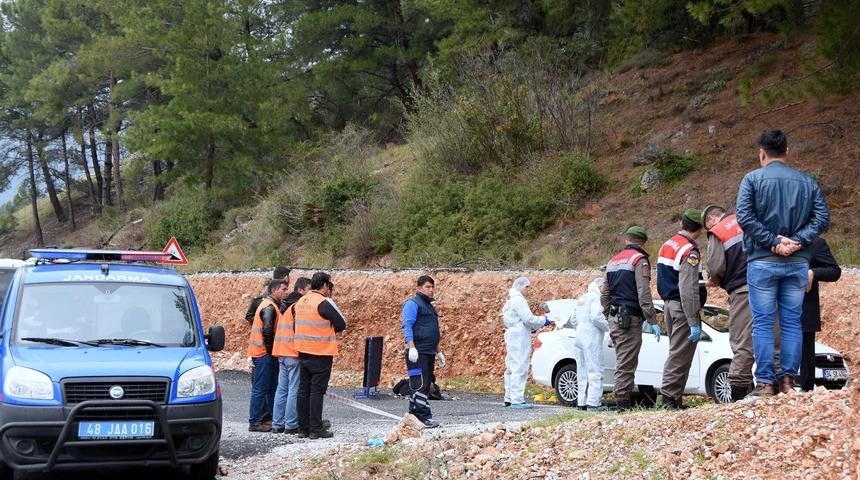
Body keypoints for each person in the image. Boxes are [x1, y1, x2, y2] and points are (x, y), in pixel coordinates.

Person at [736, 130, 829, 396]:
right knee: (792, 322)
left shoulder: (751, 179)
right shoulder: (807, 182)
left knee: (763, 322)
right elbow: (821, 218)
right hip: (798, 261)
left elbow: (744, 216)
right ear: (787, 152)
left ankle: (765, 382)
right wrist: (797, 241)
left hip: (763, 259)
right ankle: (788, 381)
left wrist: (773, 242)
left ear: (761, 153)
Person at [601, 226, 660, 411]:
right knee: (626, 364)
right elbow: (643, 293)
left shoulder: (612, 261)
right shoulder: (639, 260)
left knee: (622, 360)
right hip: (629, 319)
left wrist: (609, 315)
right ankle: (622, 405)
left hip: (615, 317)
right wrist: (652, 320)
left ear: (627, 240)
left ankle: (622, 401)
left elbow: (604, 295)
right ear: (642, 242)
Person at [702, 205, 754, 401]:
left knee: (741, 340)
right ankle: (775, 383)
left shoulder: (717, 231)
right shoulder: (748, 218)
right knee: (770, 335)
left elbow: (716, 267)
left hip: (742, 289)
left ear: (711, 220)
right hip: (768, 286)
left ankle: (738, 392)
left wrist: (714, 280)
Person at [657, 209, 705, 409]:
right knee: (679, 357)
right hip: (683, 307)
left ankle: (674, 399)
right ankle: (669, 400)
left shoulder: (668, 244)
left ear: (682, 223)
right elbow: (688, 288)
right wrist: (693, 320)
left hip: (669, 305)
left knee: (678, 353)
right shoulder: (689, 251)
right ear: (700, 229)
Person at [294, 272, 346, 439]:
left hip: (303, 350)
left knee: (303, 390)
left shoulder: (301, 301)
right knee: (317, 391)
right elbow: (341, 324)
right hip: (321, 352)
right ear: (324, 285)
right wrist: (327, 329)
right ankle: (316, 429)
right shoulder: (322, 303)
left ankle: (303, 428)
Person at [501, 277, 551, 409]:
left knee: (511, 366)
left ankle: (509, 397)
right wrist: (543, 320)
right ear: (519, 286)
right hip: (519, 337)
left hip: (512, 335)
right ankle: (517, 399)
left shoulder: (510, 301)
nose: (528, 290)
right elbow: (528, 319)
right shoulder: (519, 300)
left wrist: (533, 326)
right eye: (526, 287)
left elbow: (518, 320)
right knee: (520, 366)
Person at [270, 277, 312, 434]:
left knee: (282, 389)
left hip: (281, 352)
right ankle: (291, 424)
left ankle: (277, 423)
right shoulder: (297, 307)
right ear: (301, 291)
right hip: (293, 353)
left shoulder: (285, 307)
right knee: (294, 389)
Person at [403, 275, 445, 427]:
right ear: (419, 288)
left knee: (426, 383)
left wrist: (438, 351)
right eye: (428, 287)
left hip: (428, 352)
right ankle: (422, 416)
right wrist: (411, 346)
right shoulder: (412, 304)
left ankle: (414, 415)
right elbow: (407, 326)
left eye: (432, 287)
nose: (431, 290)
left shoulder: (429, 306)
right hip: (417, 352)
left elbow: (433, 331)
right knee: (419, 384)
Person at [799, 237, 841, 391]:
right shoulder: (771, 239)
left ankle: (805, 396)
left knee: (805, 364)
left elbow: (834, 271)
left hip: (803, 314)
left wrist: (813, 272)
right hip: (775, 313)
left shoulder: (814, 243)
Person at [248, 279, 290, 432]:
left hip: (264, 353)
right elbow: (267, 330)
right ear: (274, 291)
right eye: (283, 289)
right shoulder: (269, 307)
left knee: (272, 388)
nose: (286, 292)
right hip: (263, 354)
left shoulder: (270, 306)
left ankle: (274, 418)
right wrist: (272, 351)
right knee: (261, 388)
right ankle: (254, 422)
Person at [574, 279, 609, 411]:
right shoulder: (596, 298)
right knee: (595, 369)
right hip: (591, 336)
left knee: (581, 370)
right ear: (600, 286)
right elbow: (596, 317)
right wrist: (609, 327)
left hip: (579, 335)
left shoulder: (582, 297)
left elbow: (573, 319)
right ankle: (594, 403)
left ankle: (581, 402)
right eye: (604, 288)